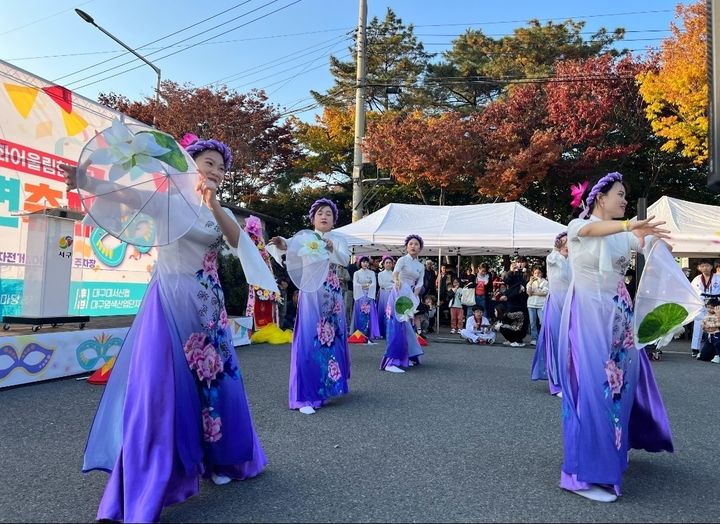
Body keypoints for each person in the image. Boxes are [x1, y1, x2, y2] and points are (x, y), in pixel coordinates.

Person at [63, 135, 269, 522]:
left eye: (222, 168)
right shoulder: (167, 201)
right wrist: (84, 180)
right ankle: (158, 476)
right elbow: (122, 195)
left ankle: (220, 460)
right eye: (209, 163)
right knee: (162, 390)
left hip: (208, 305)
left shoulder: (212, 208)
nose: (216, 172)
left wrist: (215, 203)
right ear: (189, 165)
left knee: (215, 383)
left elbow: (237, 241)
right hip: (170, 300)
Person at [558, 171, 673, 503]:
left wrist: (656, 241)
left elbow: (649, 248)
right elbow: (596, 230)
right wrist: (631, 226)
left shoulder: (625, 236)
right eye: (620, 194)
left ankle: (613, 457)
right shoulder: (579, 227)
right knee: (595, 390)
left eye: (625, 195)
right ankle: (584, 474)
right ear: (600, 198)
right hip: (588, 316)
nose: (624, 200)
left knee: (619, 390)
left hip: (620, 318)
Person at [268, 198, 351, 415]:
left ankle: (326, 387)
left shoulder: (339, 238)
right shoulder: (303, 236)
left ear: (334, 220)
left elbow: (345, 260)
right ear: (312, 218)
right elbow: (288, 248)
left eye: (329, 214)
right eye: (320, 213)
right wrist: (280, 244)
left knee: (332, 340)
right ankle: (304, 395)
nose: (324, 216)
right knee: (308, 340)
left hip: (332, 296)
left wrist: (332, 248)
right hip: (311, 294)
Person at [531, 232, 569, 397]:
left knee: (570, 345)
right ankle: (557, 384)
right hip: (555, 305)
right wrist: (556, 246)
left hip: (570, 306)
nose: (570, 245)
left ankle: (570, 381)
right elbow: (554, 254)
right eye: (566, 242)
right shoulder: (553, 258)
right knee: (555, 343)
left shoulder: (575, 262)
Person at [381, 234, 426, 373]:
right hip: (399, 293)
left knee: (407, 327)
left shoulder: (420, 265)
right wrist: (397, 281)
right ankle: (390, 361)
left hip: (411, 296)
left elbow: (420, 282)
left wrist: (415, 297)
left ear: (420, 248)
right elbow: (395, 273)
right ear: (406, 246)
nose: (413, 246)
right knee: (396, 326)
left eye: (416, 244)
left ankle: (406, 356)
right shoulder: (402, 260)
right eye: (411, 244)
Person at [690, 260, 720, 357]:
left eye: (707, 266)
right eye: (702, 266)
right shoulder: (697, 279)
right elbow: (691, 292)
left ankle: (713, 349)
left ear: (712, 267)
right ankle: (695, 348)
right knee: (698, 326)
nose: (705, 268)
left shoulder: (718, 278)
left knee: (712, 327)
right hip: (700, 305)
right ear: (699, 268)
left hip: (713, 304)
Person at [352, 255, 381, 343]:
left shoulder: (372, 273)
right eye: (363, 262)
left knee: (369, 314)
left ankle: (370, 332)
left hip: (369, 296)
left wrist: (367, 288)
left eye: (366, 262)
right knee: (360, 314)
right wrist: (364, 286)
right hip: (360, 295)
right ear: (360, 263)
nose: (365, 264)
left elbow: (374, 284)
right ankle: (359, 332)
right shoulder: (356, 273)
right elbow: (355, 284)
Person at [526, 266, 549, 345]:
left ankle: (543, 338)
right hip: (531, 304)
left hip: (541, 305)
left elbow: (545, 293)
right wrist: (531, 282)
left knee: (542, 322)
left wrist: (534, 293)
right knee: (532, 322)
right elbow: (529, 293)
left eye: (539, 273)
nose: (537, 274)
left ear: (541, 273)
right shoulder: (530, 282)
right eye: (535, 273)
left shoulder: (545, 282)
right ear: (533, 274)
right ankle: (534, 338)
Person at [376, 255, 395, 338]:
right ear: (383, 264)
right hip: (383, 295)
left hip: (392, 295)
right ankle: (382, 331)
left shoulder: (395, 274)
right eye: (386, 263)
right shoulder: (380, 274)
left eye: (390, 263)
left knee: (391, 312)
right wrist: (391, 284)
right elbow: (381, 284)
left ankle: (390, 331)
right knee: (383, 311)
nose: (388, 264)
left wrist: (390, 285)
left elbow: (396, 284)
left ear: (392, 264)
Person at [699, 298, 720, 363]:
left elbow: (718, 324)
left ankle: (718, 355)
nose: (709, 309)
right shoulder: (707, 315)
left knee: (717, 344)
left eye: (712, 308)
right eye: (708, 307)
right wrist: (703, 326)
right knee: (703, 357)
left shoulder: (717, 315)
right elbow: (703, 322)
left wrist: (710, 326)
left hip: (716, 335)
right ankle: (711, 354)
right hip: (709, 335)